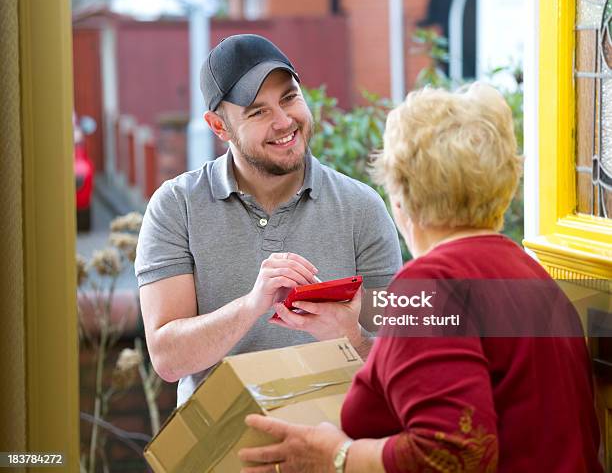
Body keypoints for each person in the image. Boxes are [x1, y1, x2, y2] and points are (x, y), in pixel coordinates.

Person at [239, 84, 603, 472]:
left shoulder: (429, 286)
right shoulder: (528, 273)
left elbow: (450, 454)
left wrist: (335, 456)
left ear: (402, 196)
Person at [135, 34, 402, 406]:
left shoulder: (361, 207)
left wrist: (352, 336)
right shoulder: (176, 207)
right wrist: (251, 306)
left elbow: (397, 362)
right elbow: (167, 359)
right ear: (219, 127)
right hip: (223, 450)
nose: (283, 121)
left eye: (289, 98)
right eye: (258, 112)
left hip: (336, 444)